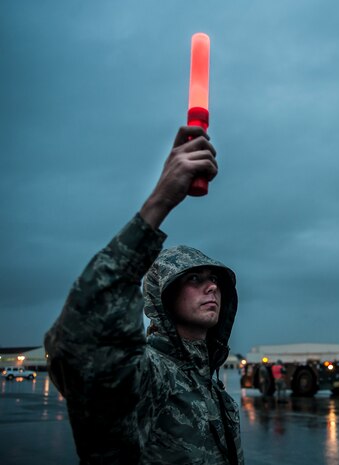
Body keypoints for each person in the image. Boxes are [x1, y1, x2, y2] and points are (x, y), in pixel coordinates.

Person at [44, 126, 243, 465]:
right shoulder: (152, 376)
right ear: (163, 295)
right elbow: (83, 341)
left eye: (214, 280)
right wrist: (160, 201)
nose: (212, 287)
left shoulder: (213, 389)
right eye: (194, 278)